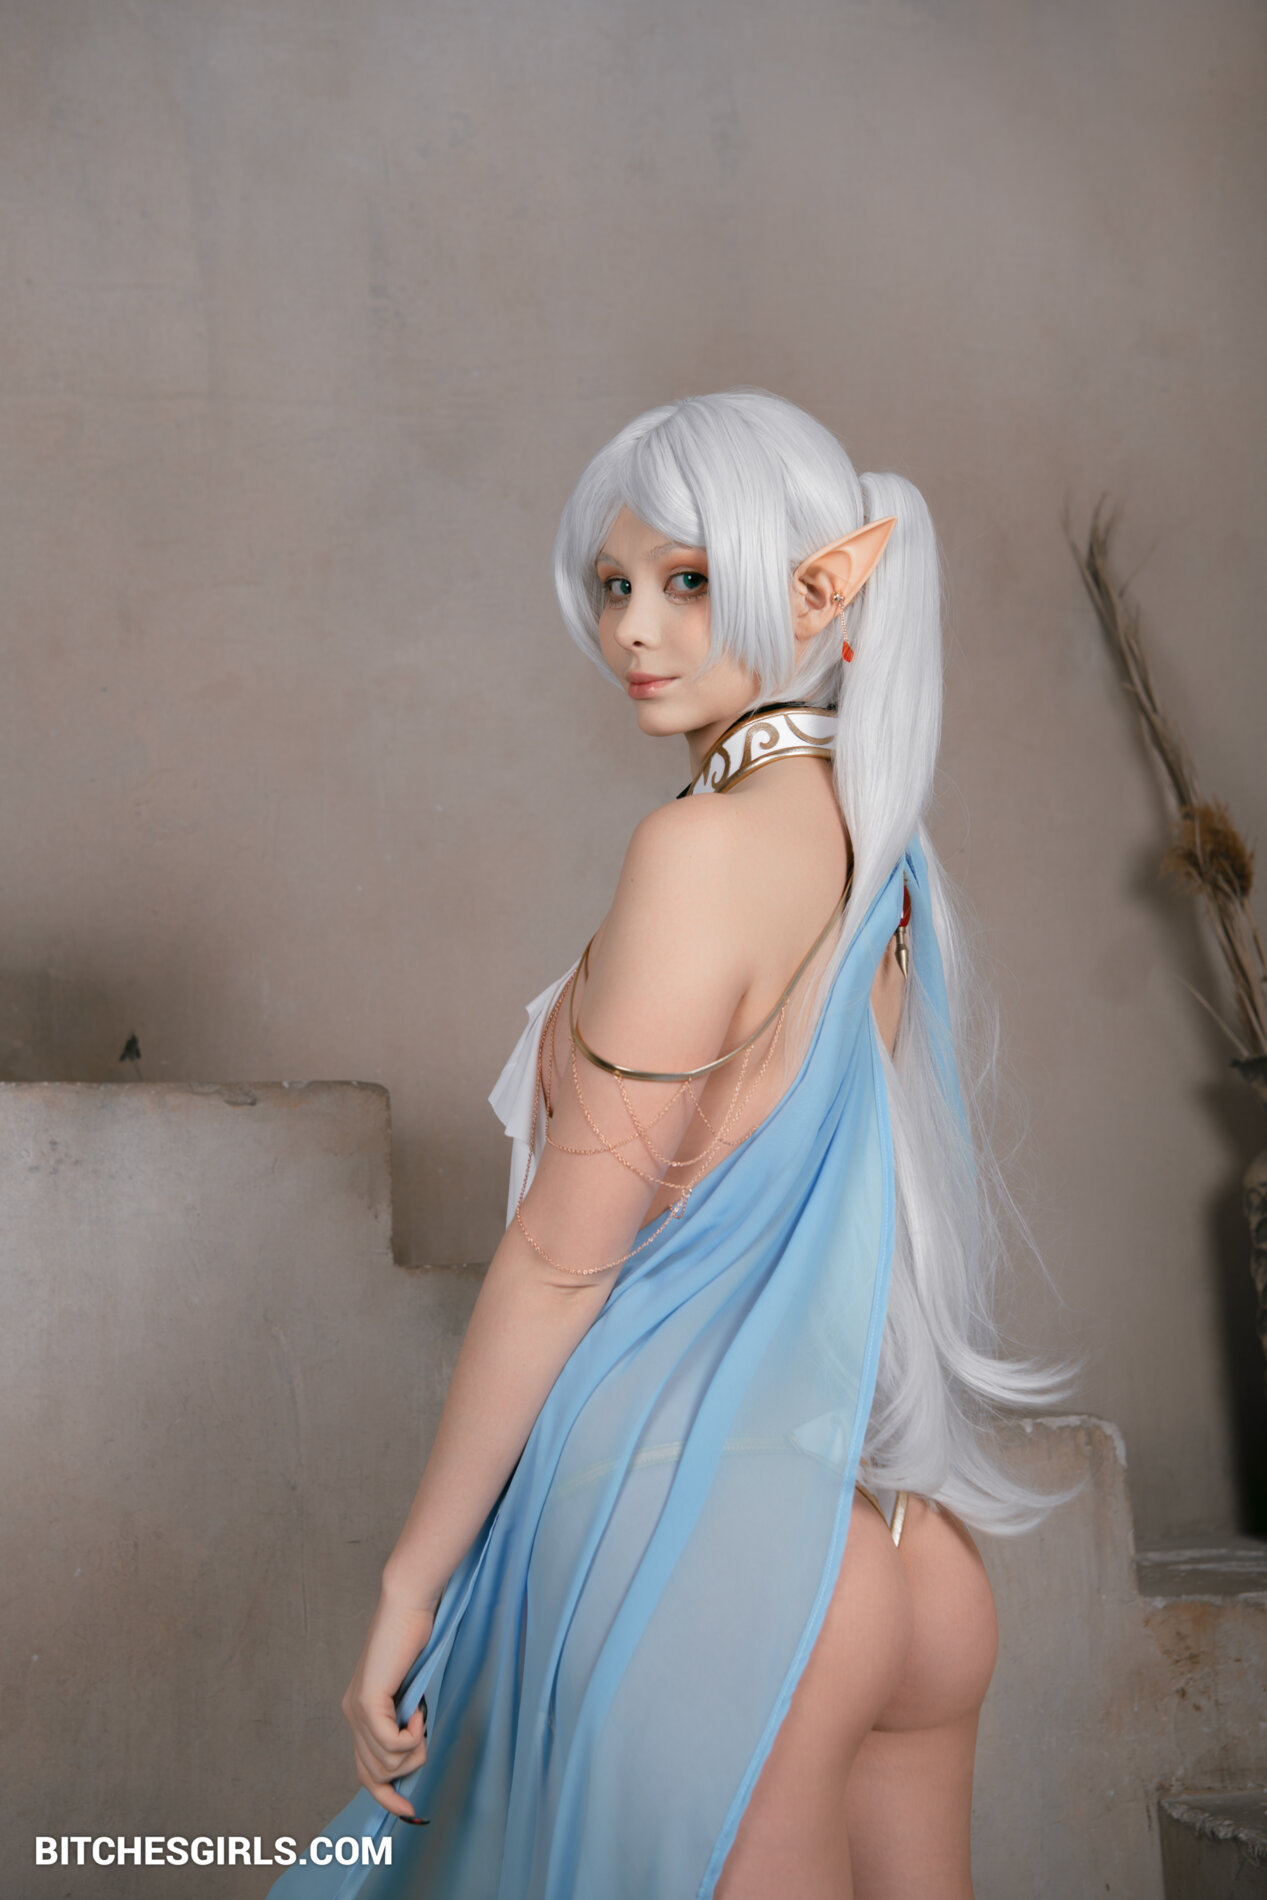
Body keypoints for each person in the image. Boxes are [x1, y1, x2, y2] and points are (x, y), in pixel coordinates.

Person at [269, 390, 1068, 1900]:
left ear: (812, 590)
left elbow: (566, 1260)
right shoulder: (881, 848)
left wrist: (409, 1579)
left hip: (707, 1533)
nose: (635, 627)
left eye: (688, 580)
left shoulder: (697, 851)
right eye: (614, 583)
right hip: (903, 1546)